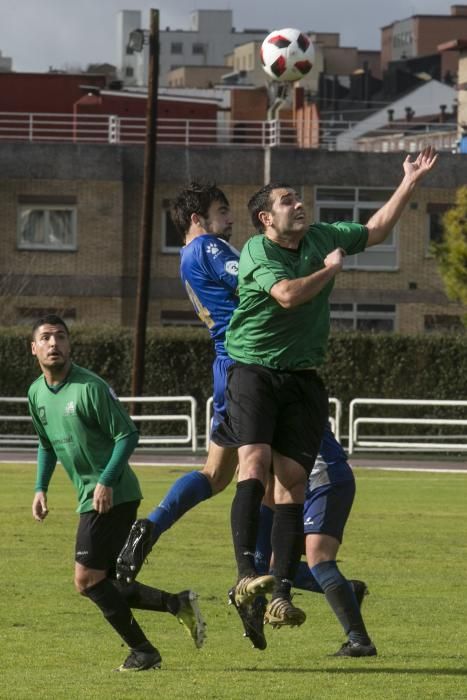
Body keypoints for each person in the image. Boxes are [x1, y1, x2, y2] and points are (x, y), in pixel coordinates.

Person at [116, 182, 374, 656]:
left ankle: (153, 529)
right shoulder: (211, 247)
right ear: (197, 218)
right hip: (252, 364)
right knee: (280, 477)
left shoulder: (186, 257)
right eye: (221, 212)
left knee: (217, 474)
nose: (229, 221)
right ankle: (262, 586)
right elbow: (261, 280)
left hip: (227, 365)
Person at [211, 147, 438, 643]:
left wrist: (409, 183)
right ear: (265, 218)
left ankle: (280, 595)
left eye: (299, 198)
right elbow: (289, 295)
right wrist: (332, 269)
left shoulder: (320, 236)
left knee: (292, 482)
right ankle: (245, 574)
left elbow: (376, 231)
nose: (300, 204)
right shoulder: (257, 251)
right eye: (288, 200)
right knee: (253, 464)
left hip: (302, 377)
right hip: (253, 370)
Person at [28, 314, 206, 673]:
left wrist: (106, 481)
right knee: (104, 583)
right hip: (89, 496)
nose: (53, 344)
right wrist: (40, 488)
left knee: (86, 580)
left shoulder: (89, 387)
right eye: (45, 338)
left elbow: (128, 434)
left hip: (115, 494)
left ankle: (144, 652)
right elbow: (46, 444)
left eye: (60, 337)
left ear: (69, 345)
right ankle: (177, 604)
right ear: (34, 348)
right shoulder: (36, 393)